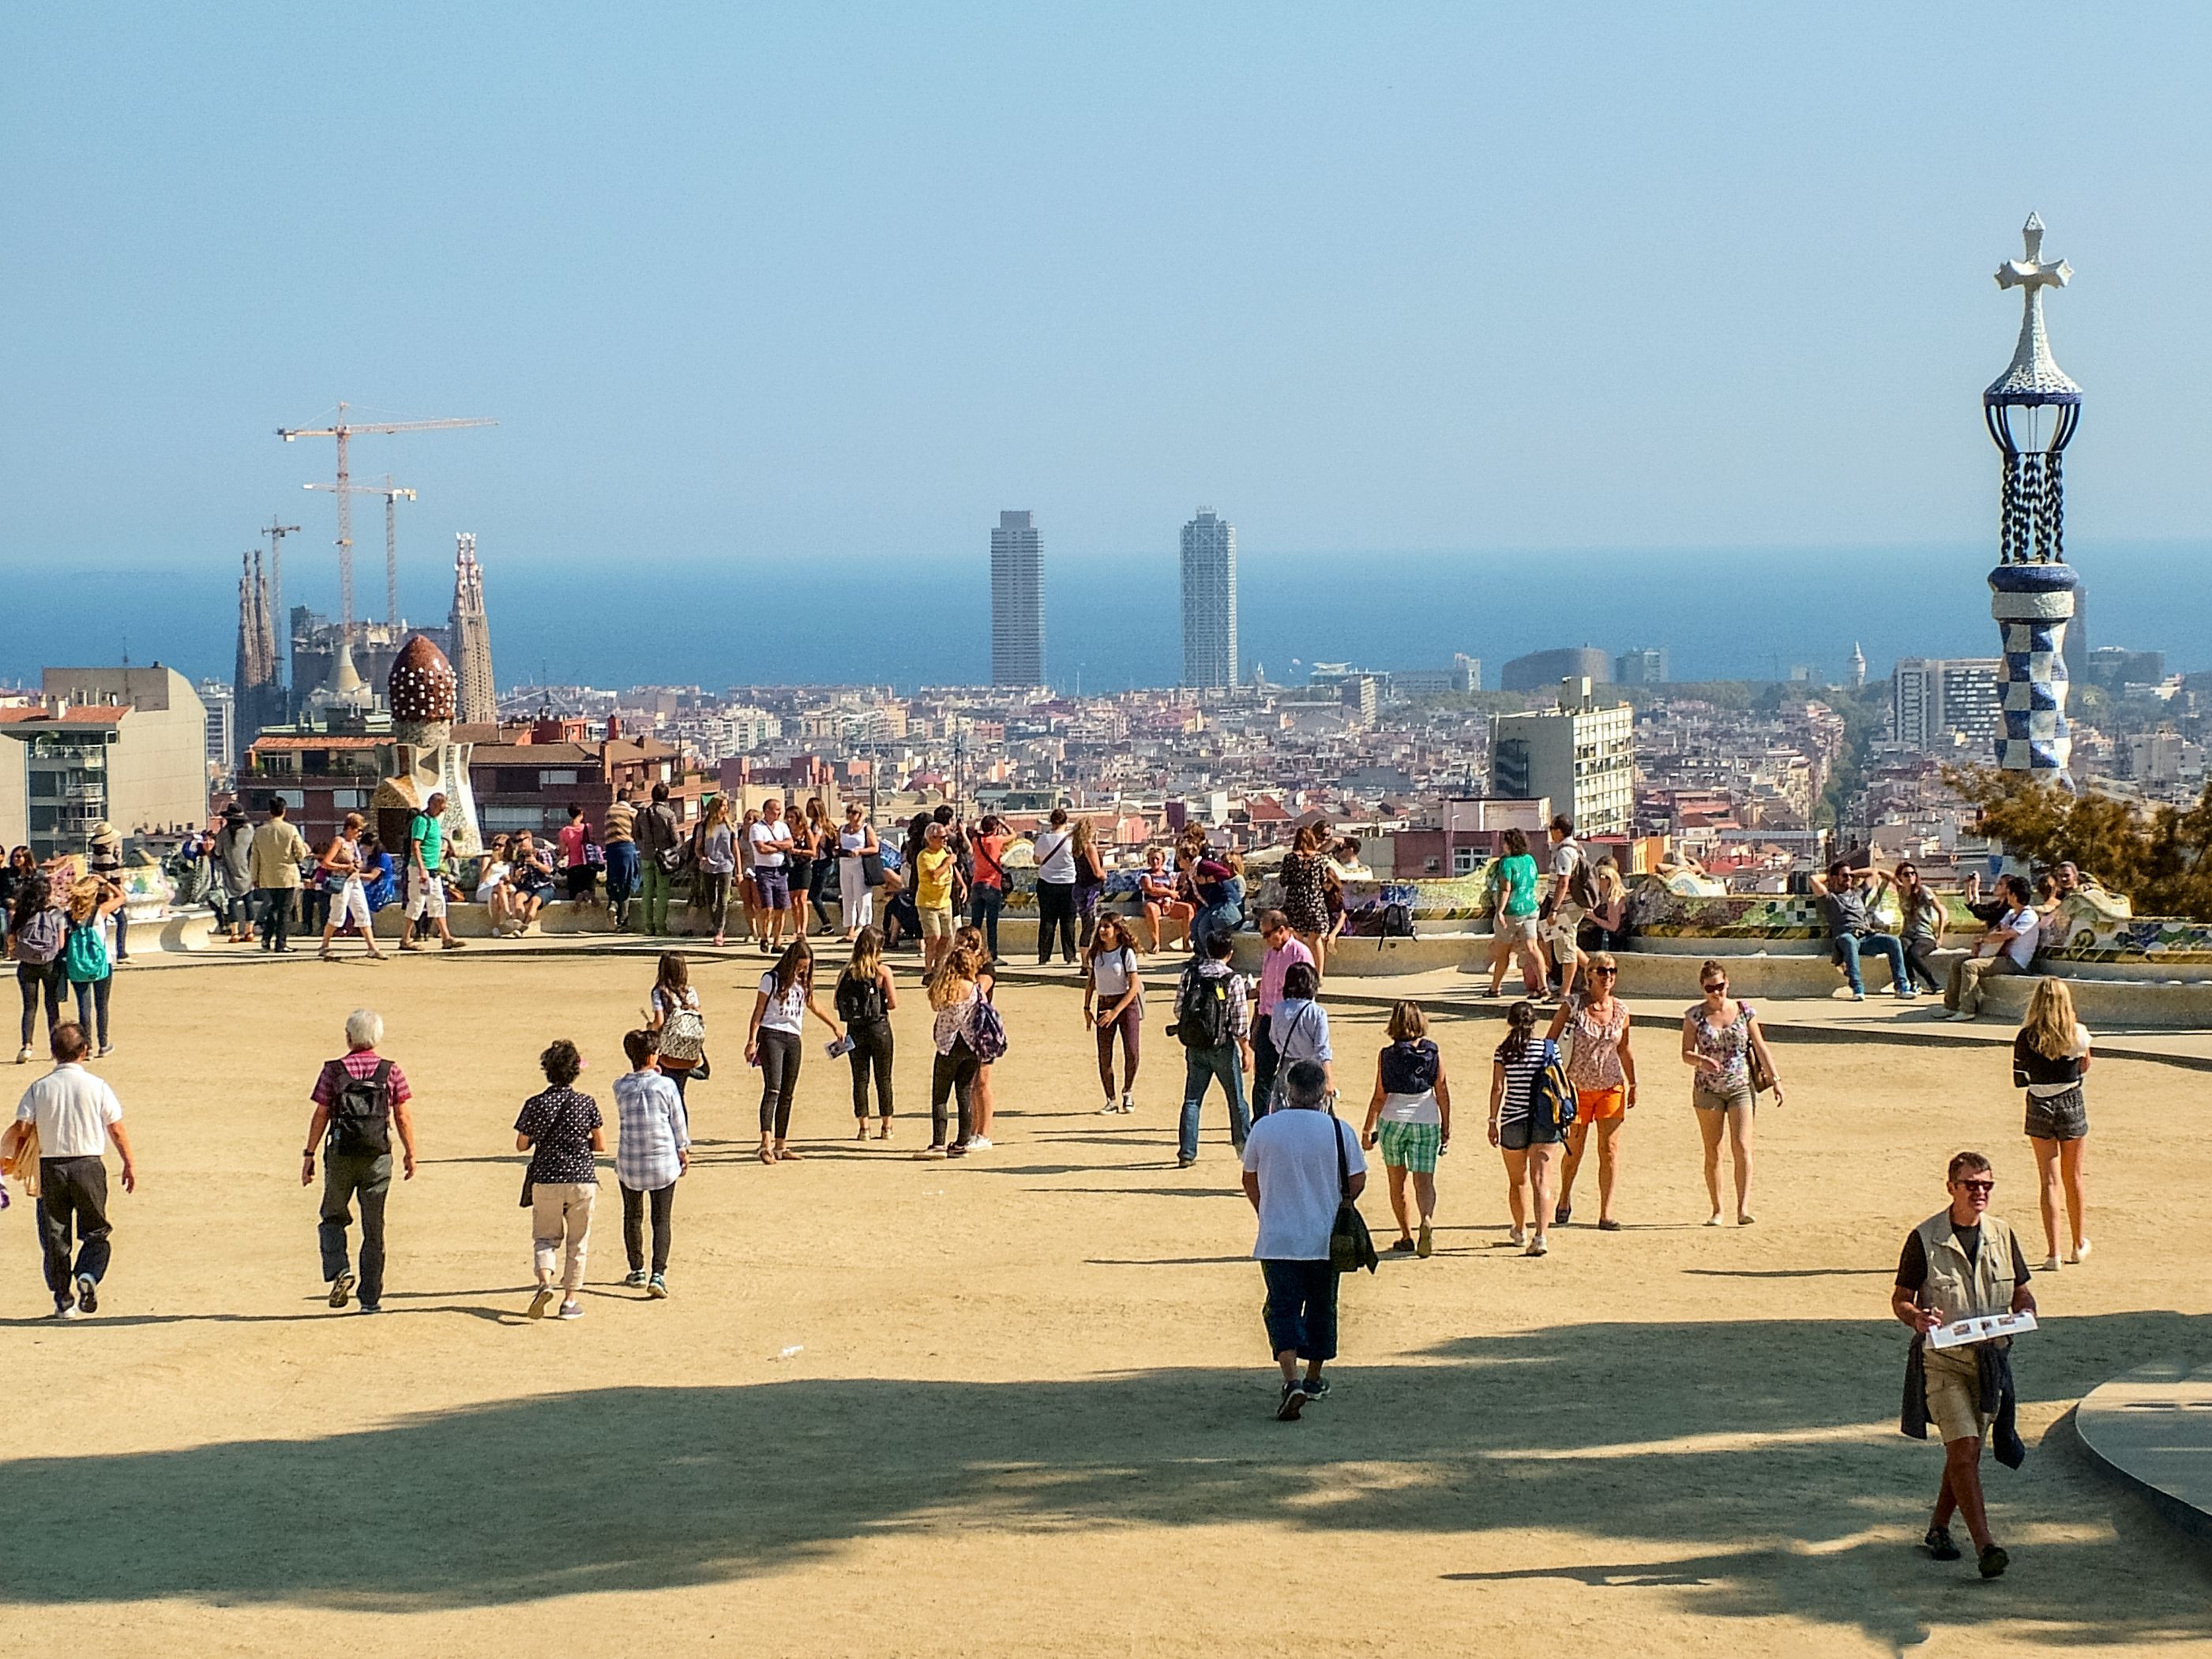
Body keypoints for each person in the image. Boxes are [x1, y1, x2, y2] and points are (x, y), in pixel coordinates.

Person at [1893, 1151, 2034, 1579]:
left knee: (1962, 1454)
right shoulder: (1924, 1237)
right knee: (1967, 1448)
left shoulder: (2004, 1234)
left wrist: (2025, 1310)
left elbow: (2023, 1291)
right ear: (1951, 1187)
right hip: (1944, 1363)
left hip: (1991, 1364)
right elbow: (1901, 1297)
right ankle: (1986, 1545)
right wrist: (1914, 1317)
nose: (1980, 1193)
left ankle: (1938, 1528)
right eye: (1971, 1184)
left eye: (1987, 1185)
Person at [1241, 1058, 1365, 1421]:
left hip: (1279, 1236)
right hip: (1324, 1236)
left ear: (1288, 1091)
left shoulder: (1265, 1129)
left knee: (1281, 1306)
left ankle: (1290, 1377)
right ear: (1323, 1091)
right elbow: (1356, 1181)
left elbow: (1249, 1178)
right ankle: (1313, 1377)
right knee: (1322, 1305)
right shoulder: (1340, 1130)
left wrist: (1265, 1209)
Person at [9, 1021, 137, 1317]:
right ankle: (89, 1273)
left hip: (50, 1168)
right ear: (85, 1050)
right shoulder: (98, 1086)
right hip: (89, 1165)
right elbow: (116, 1129)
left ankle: (63, 1300)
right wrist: (129, 1163)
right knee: (96, 1231)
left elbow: (22, 1128)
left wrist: (9, 1163)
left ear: (53, 1053)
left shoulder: (39, 1088)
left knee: (55, 1237)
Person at [301, 1008, 417, 1313]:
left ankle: (340, 1269)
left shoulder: (333, 1070)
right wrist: (410, 1152)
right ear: (377, 1037)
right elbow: (403, 1115)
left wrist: (309, 1154)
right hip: (378, 1155)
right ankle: (370, 1299)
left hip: (341, 1154)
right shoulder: (391, 1071)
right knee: (374, 1228)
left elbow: (321, 1114)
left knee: (332, 1216)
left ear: (349, 1036)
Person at [1681, 960, 1783, 1225]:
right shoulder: (1694, 1016)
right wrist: (1701, 1061)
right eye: (1710, 988)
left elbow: (1760, 1047)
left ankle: (1743, 1207)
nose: (1716, 993)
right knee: (1714, 1150)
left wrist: (1776, 1080)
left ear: (1728, 983)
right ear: (1703, 989)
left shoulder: (1744, 1011)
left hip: (1740, 1086)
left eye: (1720, 986)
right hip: (1707, 1089)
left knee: (1742, 1146)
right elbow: (1686, 1053)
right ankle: (1717, 1209)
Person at [1546, 951, 1636, 1229]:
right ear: (1590, 975)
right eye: (1602, 971)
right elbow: (1549, 1043)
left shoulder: (1621, 1010)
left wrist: (1633, 1083)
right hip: (1575, 1090)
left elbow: (1624, 1049)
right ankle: (1564, 1198)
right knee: (1574, 1151)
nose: (1608, 976)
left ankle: (1606, 1212)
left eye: (1612, 971)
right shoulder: (1572, 1006)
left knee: (1609, 1150)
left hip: (1611, 1086)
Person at [516, 1038, 603, 1321]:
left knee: (544, 1238)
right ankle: (570, 1301)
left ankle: (544, 1283)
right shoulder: (586, 1103)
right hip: (581, 1178)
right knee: (578, 1243)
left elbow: (521, 1144)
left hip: (546, 1179)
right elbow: (600, 1144)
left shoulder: (535, 1104)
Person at [1360, 1000, 1452, 1256]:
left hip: (1393, 1120)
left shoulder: (1387, 1055)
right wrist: (1446, 1124)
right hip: (1426, 1120)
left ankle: (1406, 1234)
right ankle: (1426, 1219)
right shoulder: (1433, 1053)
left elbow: (1379, 1096)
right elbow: (1441, 1090)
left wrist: (1368, 1129)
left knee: (1397, 1182)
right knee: (1424, 1181)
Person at [2015, 978, 2091, 1271]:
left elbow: (2021, 1076)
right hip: (2071, 1100)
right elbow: (2084, 1067)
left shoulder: (2026, 1037)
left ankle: (2053, 1253)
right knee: (2073, 1177)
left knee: (2048, 1180)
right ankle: (2077, 1244)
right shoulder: (2079, 1033)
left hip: (2039, 1103)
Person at [745, 938, 843, 1164]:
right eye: (800, 965)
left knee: (788, 1093)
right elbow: (758, 1011)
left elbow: (813, 1004)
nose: (803, 970)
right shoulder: (771, 979)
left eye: (806, 967)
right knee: (773, 1089)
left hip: (793, 1037)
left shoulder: (803, 982)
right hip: (771, 1034)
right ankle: (765, 1143)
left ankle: (781, 1144)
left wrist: (834, 1025)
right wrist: (751, 1040)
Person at [613, 1027, 688, 1297]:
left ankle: (637, 1270)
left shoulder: (619, 1086)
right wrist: (683, 1149)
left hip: (630, 1162)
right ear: (654, 1055)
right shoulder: (666, 1085)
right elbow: (677, 1121)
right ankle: (658, 1274)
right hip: (662, 1161)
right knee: (661, 1219)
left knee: (632, 1217)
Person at [1489, 1000, 1564, 1255]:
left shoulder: (1504, 1051)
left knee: (1517, 1181)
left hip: (1513, 1119)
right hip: (1545, 1120)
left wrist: (1492, 1120)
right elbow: (1560, 1083)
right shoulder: (1549, 1049)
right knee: (1542, 1181)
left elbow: (1498, 1088)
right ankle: (1541, 1236)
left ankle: (1520, 1230)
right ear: (1534, 1023)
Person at [1174, 929, 1252, 1167]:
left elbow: (1179, 1009)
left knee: (1192, 1099)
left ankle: (1187, 1152)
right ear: (1229, 953)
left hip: (1196, 1044)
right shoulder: (1232, 980)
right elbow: (1240, 1020)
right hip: (1222, 1045)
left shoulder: (1190, 975)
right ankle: (1243, 1147)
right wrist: (1246, 1048)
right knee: (1236, 1098)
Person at [1809, 859, 1913, 1001]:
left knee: (1893, 942)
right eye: (1844, 876)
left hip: (1866, 936)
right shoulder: (1830, 897)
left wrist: (1851, 872)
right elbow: (1813, 879)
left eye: (1850, 876)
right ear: (1834, 878)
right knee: (1849, 941)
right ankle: (1857, 989)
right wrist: (1830, 876)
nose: (1849, 879)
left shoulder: (1858, 893)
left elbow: (1873, 873)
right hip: (1846, 937)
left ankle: (1902, 987)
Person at [922, 945, 987, 1159]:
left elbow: (935, 1006)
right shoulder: (975, 988)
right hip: (970, 1045)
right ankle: (962, 1142)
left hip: (948, 1045)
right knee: (964, 1092)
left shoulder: (945, 987)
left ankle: (938, 1143)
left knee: (940, 1094)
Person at [1946, 876, 2038, 1021]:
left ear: (2014, 895)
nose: (2007, 897)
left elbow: (2005, 935)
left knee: (1970, 966)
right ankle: (1951, 1006)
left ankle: (1967, 1009)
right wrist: (1979, 943)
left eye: (2008, 893)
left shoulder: (2029, 916)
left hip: (2015, 962)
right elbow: (1996, 930)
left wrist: (1984, 939)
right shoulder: (2011, 914)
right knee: (1957, 963)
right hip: (1999, 956)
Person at [836, 927, 898, 1139]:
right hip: (879, 1028)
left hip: (855, 1029)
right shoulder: (883, 972)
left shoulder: (847, 971)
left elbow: (837, 1004)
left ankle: (864, 1128)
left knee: (860, 1079)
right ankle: (887, 1126)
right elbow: (893, 1004)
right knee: (884, 1078)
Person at [1251, 910, 1314, 1120]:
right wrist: (1257, 1023)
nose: (1265, 940)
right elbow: (1265, 992)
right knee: (1262, 1076)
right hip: (1269, 1019)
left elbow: (1308, 992)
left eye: (1268, 935)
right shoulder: (1270, 954)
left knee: (1291, 1074)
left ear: (1282, 930)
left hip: (1291, 1022)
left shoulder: (1301, 953)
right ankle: (1260, 1120)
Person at [1083, 913, 1144, 1114]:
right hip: (1104, 1003)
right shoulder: (1096, 954)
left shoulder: (1126, 953)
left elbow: (1134, 986)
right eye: (1101, 927)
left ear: (1117, 930)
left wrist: (1115, 1011)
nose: (1102, 931)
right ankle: (1110, 1099)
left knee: (1132, 1052)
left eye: (1107, 927)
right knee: (1104, 1055)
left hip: (1126, 1005)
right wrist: (1086, 1007)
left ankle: (1128, 1091)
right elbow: (1091, 982)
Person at [10, 873, 68, 1064]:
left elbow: (12, 938)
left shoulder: (23, 912)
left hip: (26, 964)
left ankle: (27, 1046)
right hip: (49, 963)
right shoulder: (56, 913)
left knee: (29, 1006)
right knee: (52, 1005)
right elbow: (60, 943)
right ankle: (55, 1048)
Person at [61, 877, 121, 1057]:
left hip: (78, 965)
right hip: (101, 964)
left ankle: (87, 1048)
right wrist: (106, 883)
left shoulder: (69, 915)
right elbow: (121, 897)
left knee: (83, 1008)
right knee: (102, 1006)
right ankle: (103, 1044)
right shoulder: (99, 912)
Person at [955, 923, 1002, 1149]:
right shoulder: (957, 967)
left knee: (982, 1081)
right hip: (963, 1028)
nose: (956, 948)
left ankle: (984, 1134)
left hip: (983, 1029)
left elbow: (978, 992)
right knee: (970, 1082)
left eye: (960, 943)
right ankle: (973, 1130)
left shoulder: (985, 968)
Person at [315, 813, 386, 961]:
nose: (359, 833)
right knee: (337, 914)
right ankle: (324, 945)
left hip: (354, 881)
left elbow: (357, 862)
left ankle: (372, 947)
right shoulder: (339, 841)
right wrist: (345, 866)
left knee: (362, 912)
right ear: (349, 828)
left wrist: (358, 865)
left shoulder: (354, 843)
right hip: (341, 881)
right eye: (357, 830)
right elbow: (326, 863)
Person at [1485, 827, 1545, 998]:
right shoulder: (1530, 860)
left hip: (1512, 910)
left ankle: (1495, 988)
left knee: (1503, 951)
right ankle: (1543, 986)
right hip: (1531, 907)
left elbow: (1505, 888)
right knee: (1532, 948)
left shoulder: (1507, 863)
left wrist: (1500, 911)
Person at [399, 793, 464, 952]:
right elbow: (416, 846)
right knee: (417, 902)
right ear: (434, 805)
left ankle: (446, 937)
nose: (442, 812)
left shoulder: (434, 822)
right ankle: (405, 939)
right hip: (421, 869)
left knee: (438, 901)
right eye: (441, 808)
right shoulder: (422, 821)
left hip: (433, 870)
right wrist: (422, 868)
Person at [1540, 815, 1590, 1003]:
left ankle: (1565, 993)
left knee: (1566, 947)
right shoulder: (1577, 848)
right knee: (1550, 937)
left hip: (1566, 908)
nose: (1550, 832)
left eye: (1552, 828)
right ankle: (1593, 971)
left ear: (1559, 831)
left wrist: (1554, 909)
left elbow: (1563, 882)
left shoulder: (1564, 853)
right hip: (1571, 906)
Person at [250, 795, 310, 954]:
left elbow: (254, 856)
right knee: (284, 910)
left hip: (267, 875)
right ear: (284, 811)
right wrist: (305, 850)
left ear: (270, 812)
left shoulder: (260, 831)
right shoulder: (290, 830)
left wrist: (254, 877)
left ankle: (266, 938)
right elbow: (299, 854)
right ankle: (281, 943)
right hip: (288, 875)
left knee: (273, 907)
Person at [646, 951, 706, 1102]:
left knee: (668, 1094)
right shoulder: (690, 991)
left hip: (668, 1049)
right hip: (688, 1048)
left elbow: (659, 1022)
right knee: (680, 1092)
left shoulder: (659, 992)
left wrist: (649, 1027)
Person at [1268, 961, 1333, 1100]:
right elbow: (1323, 1051)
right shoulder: (1317, 1013)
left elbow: (1274, 1038)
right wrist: (1329, 1080)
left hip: (1287, 1067)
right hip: (1312, 1070)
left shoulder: (1278, 1009)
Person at [1279, 824, 1333, 979]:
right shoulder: (1319, 859)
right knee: (1315, 938)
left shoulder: (1289, 859)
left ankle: (1299, 973)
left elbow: (1283, 881)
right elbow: (1323, 880)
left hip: (1295, 903)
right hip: (1314, 902)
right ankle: (1319, 974)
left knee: (1295, 939)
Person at [743, 798, 796, 954]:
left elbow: (790, 844)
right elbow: (761, 849)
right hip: (764, 870)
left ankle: (777, 941)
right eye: (775, 810)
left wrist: (773, 844)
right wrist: (780, 846)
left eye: (779, 810)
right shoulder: (757, 828)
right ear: (767, 811)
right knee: (767, 907)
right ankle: (764, 936)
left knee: (781, 908)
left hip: (780, 870)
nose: (778, 813)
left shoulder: (782, 827)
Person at [913, 820, 963, 971]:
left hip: (944, 902)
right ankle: (928, 969)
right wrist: (947, 862)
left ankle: (939, 968)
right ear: (931, 838)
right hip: (928, 903)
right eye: (941, 838)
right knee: (933, 937)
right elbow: (934, 875)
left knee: (947, 938)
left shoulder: (945, 852)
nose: (945, 840)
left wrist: (962, 883)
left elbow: (952, 868)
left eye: (946, 837)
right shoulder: (924, 856)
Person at [1893, 861, 1948, 996]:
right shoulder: (1901, 891)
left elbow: (1941, 911)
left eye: (1913, 873)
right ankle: (1912, 983)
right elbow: (1886, 875)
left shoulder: (1924, 891)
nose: (1911, 876)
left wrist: (1940, 937)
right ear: (1900, 877)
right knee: (1902, 949)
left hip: (1924, 935)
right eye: (1906, 874)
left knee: (1914, 954)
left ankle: (1933, 983)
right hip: (1907, 934)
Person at [1032, 808, 1079, 965]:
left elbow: (1037, 860)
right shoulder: (1071, 840)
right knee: (1068, 921)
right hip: (1068, 883)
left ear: (1051, 822)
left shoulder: (1043, 839)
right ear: (1066, 821)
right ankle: (1070, 955)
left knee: (1047, 920)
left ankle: (1044, 956)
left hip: (1046, 882)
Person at [634, 782, 681, 937]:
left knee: (647, 891)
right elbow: (675, 838)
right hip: (663, 856)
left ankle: (648, 926)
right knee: (662, 892)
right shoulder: (668, 814)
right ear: (666, 797)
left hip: (646, 855)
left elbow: (636, 835)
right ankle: (660, 926)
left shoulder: (642, 813)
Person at [694, 795, 738, 947]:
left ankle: (719, 930)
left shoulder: (730, 826)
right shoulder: (704, 826)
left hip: (726, 865)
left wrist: (738, 870)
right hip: (708, 866)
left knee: (723, 899)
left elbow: (735, 848)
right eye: (723, 806)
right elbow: (698, 847)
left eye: (726, 806)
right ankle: (716, 923)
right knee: (710, 899)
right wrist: (702, 857)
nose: (725, 809)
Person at [212, 803, 257, 942]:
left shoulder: (223, 833)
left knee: (232, 901)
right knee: (248, 900)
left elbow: (218, 852)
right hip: (247, 870)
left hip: (230, 871)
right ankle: (249, 932)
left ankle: (235, 933)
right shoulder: (249, 830)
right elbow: (254, 849)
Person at [85, 820, 130, 963]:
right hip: (109, 895)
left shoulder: (97, 856)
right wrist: (113, 896)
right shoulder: (106, 857)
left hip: (100, 895)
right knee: (122, 922)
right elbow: (108, 877)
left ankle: (100, 952)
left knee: (101, 924)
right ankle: (121, 953)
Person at [967, 814, 1010, 958]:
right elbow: (1013, 835)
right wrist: (1003, 824)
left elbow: (973, 835)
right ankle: (992, 955)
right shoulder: (997, 840)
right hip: (992, 884)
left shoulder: (976, 840)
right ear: (995, 828)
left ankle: (972, 952)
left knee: (975, 924)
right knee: (992, 923)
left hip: (977, 883)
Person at [1136, 845, 1192, 954]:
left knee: (1188, 909)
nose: (1155, 861)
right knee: (1151, 909)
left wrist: (1169, 898)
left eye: (1157, 858)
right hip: (1154, 903)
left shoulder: (1169, 875)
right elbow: (1150, 889)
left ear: (1163, 860)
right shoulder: (1146, 876)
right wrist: (1168, 892)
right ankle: (1155, 943)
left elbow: (1174, 891)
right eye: (1152, 859)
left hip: (1168, 904)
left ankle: (1186, 942)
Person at [837, 803, 880, 939]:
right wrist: (838, 849)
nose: (850, 815)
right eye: (849, 812)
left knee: (862, 896)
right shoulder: (842, 829)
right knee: (847, 896)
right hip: (845, 863)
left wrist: (859, 851)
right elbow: (838, 844)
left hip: (860, 863)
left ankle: (864, 927)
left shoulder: (866, 829)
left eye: (854, 812)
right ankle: (850, 929)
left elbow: (875, 847)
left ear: (860, 814)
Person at [603, 786, 639, 930]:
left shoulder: (609, 811)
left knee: (614, 880)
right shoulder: (631, 811)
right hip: (626, 847)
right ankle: (624, 919)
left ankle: (612, 904)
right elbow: (637, 831)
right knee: (627, 882)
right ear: (629, 800)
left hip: (611, 848)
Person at [1070, 816, 1108, 951]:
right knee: (1090, 925)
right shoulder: (1090, 848)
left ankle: (1085, 958)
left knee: (1087, 925)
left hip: (1079, 888)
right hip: (1091, 891)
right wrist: (1105, 875)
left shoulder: (1076, 848)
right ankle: (1086, 961)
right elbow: (1097, 872)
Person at [803, 799, 839, 936]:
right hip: (824, 862)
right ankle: (837, 898)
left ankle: (827, 924)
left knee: (814, 894)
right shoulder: (823, 824)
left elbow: (814, 843)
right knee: (814, 891)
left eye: (811, 808)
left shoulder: (817, 826)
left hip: (822, 862)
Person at [509, 831, 556, 932]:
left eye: (521, 840)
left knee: (535, 901)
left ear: (529, 839)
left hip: (545, 886)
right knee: (518, 898)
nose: (519, 844)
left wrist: (536, 864)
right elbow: (515, 880)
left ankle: (524, 926)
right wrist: (517, 875)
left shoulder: (542, 853)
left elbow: (549, 871)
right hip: (528, 886)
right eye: (517, 841)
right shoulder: (519, 858)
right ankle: (521, 925)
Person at [558, 805, 596, 903]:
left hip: (573, 867)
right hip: (588, 865)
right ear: (581, 814)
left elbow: (563, 852)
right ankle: (587, 893)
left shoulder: (564, 831)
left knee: (573, 896)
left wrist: (559, 858)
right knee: (589, 889)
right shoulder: (588, 828)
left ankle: (578, 895)